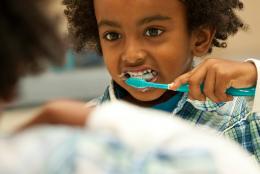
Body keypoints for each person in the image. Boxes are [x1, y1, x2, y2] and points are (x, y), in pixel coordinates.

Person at [59, 0, 260, 162]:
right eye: (112, 35)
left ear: (199, 38)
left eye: (153, 32)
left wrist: (255, 74)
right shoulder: (80, 133)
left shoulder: (244, 116)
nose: (131, 55)